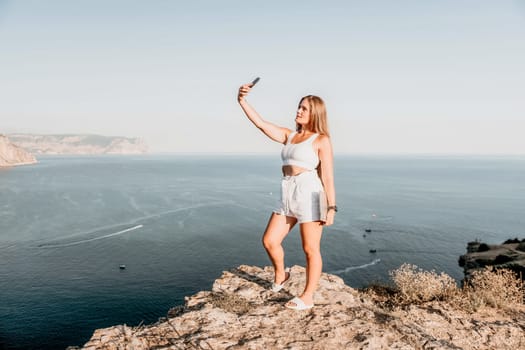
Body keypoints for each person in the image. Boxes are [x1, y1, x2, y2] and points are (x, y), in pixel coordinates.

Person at [237, 81, 337, 310]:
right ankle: (282, 276)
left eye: (304, 108)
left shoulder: (321, 139)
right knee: (270, 240)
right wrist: (242, 101)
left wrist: (331, 207)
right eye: (299, 107)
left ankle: (308, 296)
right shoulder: (289, 135)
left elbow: (328, 177)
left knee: (310, 248)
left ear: (315, 114)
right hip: (288, 190)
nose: (298, 110)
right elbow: (261, 124)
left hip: (311, 193)